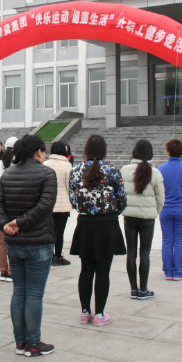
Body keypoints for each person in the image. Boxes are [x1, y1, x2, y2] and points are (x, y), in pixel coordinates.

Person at [0, 134, 57, 357]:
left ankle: (20, 342)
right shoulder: (46, 173)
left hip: (15, 243)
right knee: (34, 294)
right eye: (44, 151)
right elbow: (45, 206)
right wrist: (17, 224)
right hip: (38, 243)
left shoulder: (8, 173)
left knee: (19, 292)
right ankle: (33, 343)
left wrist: (6, 225)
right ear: (38, 151)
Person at [69, 134, 127, 327]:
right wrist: (113, 212)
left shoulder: (76, 170)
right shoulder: (111, 170)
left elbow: (73, 198)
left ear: (86, 151)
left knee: (86, 269)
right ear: (104, 151)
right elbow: (122, 199)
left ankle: (85, 311)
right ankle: (100, 313)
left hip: (85, 224)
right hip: (107, 224)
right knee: (103, 271)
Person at [120, 140, 164, 300]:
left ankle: (133, 288)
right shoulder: (155, 173)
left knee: (131, 252)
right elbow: (161, 198)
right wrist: (154, 211)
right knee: (145, 253)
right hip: (147, 218)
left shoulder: (124, 171)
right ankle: (143, 288)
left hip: (129, 216)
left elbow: (119, 194)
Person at [157, 139, 182, 281]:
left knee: (167, 240)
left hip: (166, 208)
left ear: (168, 152)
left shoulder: (161, 169)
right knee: (180, 241)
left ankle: (168, 271)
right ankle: (178, 271)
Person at [0, 136, 18, 282]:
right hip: (14, 206)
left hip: (0, 206)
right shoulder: (19, 164)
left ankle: (3, 270)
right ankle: (12, 270)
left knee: (2, 241)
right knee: (14, 240)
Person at [44, 141, 72, 266]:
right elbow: (69, 185)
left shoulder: (45, 164)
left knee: (49, 231)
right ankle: (58, 256)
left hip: (48, 203)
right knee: (60, 232)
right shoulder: (67, 166)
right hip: (62, 204)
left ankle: (49, 255)